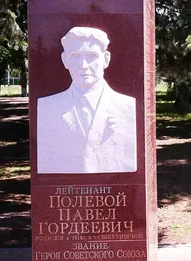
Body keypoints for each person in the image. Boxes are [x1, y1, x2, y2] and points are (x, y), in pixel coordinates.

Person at [37, 27, 137, 174]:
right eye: (76, 56)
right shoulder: (48, 107)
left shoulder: (126, 106)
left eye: (91, 56)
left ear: (106, 59)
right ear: (65, 60)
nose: (83, 65)